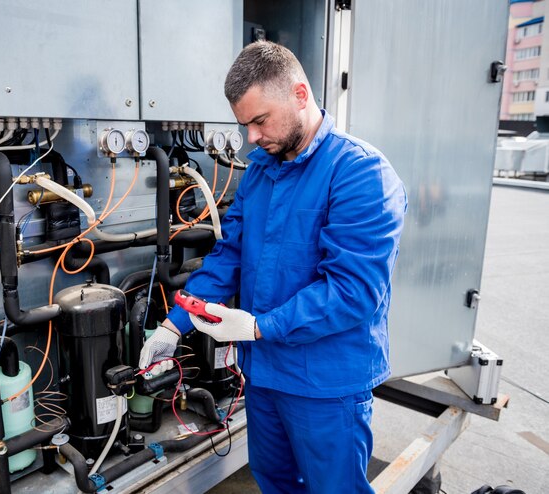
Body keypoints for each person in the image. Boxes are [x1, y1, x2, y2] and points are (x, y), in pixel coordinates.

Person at [139, 40, 407, 493]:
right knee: (275, 482)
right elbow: (231, 256)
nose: (252, 138)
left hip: (326, 382)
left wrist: (257, 327)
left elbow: (352, 292)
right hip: (264, 375)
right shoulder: (262, 169)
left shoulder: (360, 173)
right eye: (244, 125)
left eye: (259, 121)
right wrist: (175, 323)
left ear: (300, 95)